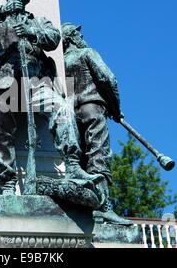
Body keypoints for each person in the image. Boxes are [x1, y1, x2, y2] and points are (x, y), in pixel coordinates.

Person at [0, 0, 100, 195]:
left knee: (62, 108)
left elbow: (53, 38)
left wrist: (30, 31)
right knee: (0, 132)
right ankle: (7, 183)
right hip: (5, 82)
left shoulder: (37, 20)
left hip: (36, 83)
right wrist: (3, 10)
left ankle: (74, 165)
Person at [61, 23, 132, 225]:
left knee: (83, 160)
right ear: (73, 37)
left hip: (73, 115)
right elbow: (108, 78)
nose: (81, 36)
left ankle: (88, 206)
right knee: (98, 156)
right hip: (93, 109)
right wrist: (115, 108)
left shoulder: (63, 62)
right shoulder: (87, 52)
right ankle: (104, 208)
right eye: (77, 33)